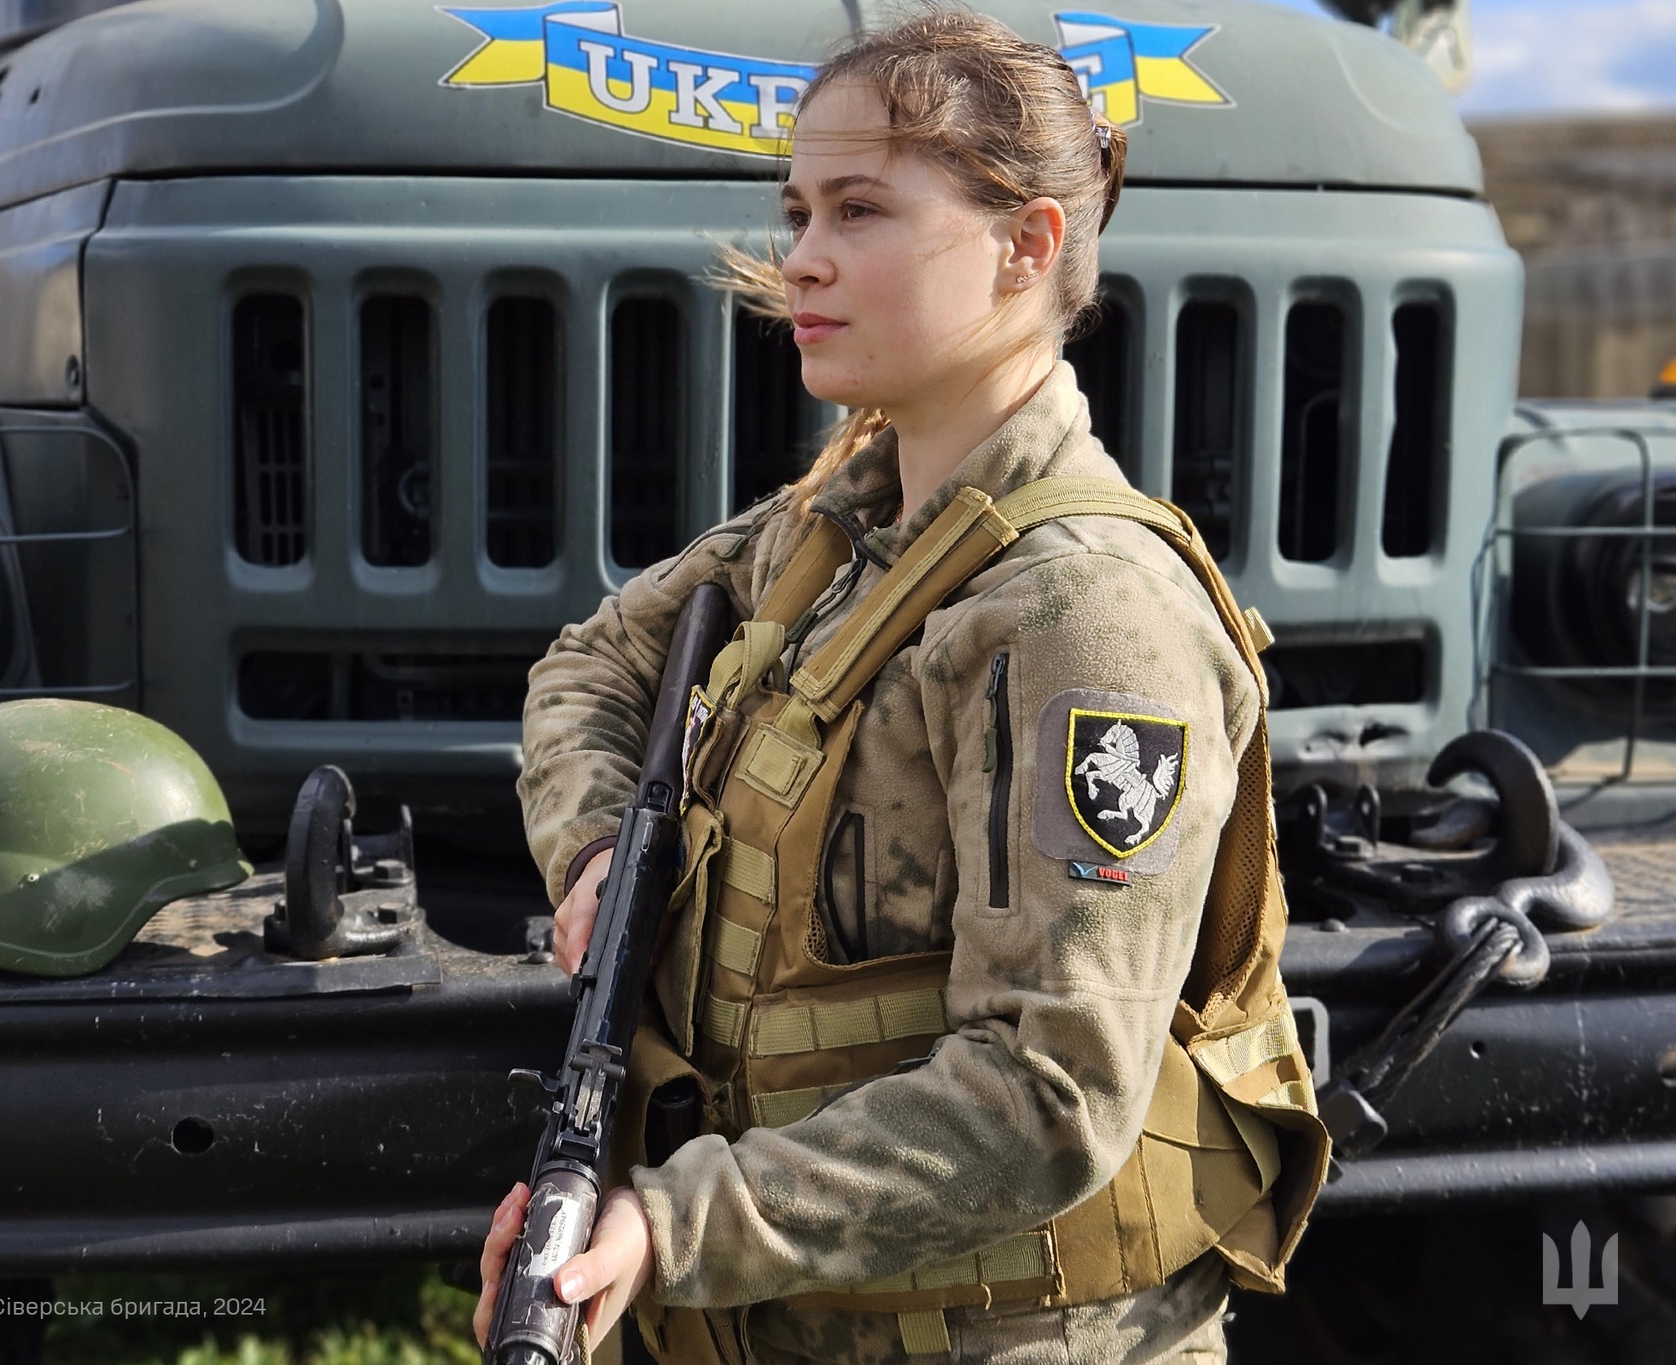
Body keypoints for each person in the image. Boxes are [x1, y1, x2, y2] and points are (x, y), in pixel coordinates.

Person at [478, 11, 1326, 1364]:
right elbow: (597, 660)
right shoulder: (834, 532)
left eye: (860, 210)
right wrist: (597, 854)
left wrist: (671, 1226)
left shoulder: (1086, 616)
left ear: (1028, 244)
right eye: (800, 210)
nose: (801, 258)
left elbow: (1048, 1096)